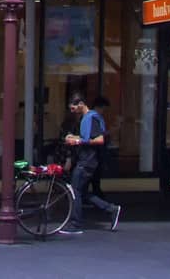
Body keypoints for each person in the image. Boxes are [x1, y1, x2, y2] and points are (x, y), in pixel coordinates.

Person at [61, 94, 121, 234]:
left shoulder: (91, 118)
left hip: (87, 160)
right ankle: (111, 209)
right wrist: (73, 138)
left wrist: (77, 141)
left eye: (74, 107)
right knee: (80, 191)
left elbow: (99, 140)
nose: (73, 110)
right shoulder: (87, 118)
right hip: (87, 159)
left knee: (75, 191)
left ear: (81, 104)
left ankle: (76, 224)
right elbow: (87, 138)